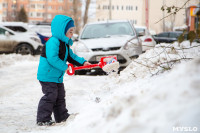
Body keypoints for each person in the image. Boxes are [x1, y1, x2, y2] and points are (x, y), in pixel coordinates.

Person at [36, 15, 91, 126]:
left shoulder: (65, 44)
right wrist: (65, 67)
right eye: (70, 31)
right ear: (61, 31)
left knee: (60, 95)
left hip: (56, 77)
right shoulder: (53, 42)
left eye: (72, 31)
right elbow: (52, 59)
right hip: (47, 76)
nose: (72, 34)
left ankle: (61, 116)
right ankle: (42, 119)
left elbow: (71, 56)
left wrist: (83, 62)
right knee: (50, 95)